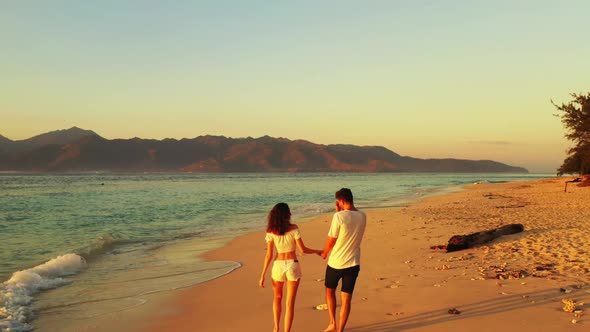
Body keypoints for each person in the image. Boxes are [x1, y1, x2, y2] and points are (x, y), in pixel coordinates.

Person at [259, 202, 322, 332]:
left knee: (277, 298)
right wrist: (317, 251)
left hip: (278, 266)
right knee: (289, 304)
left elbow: (269, 255)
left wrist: (262, 275)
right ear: (286, 214)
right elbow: (303, 250)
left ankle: (276, 328)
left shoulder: (271, 231)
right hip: (292, 265)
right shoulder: (294, 228)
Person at [320, 188, 367, 332]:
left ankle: (332, 322)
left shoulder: (339, 217)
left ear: (341, 201)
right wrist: (339, 211)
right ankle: (340, 330)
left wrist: (324, 252)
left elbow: (331, 240)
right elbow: (348, 221)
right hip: (353, 263)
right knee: (346, 299)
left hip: (336, 263)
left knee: (329, 291)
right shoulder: (362, 215)